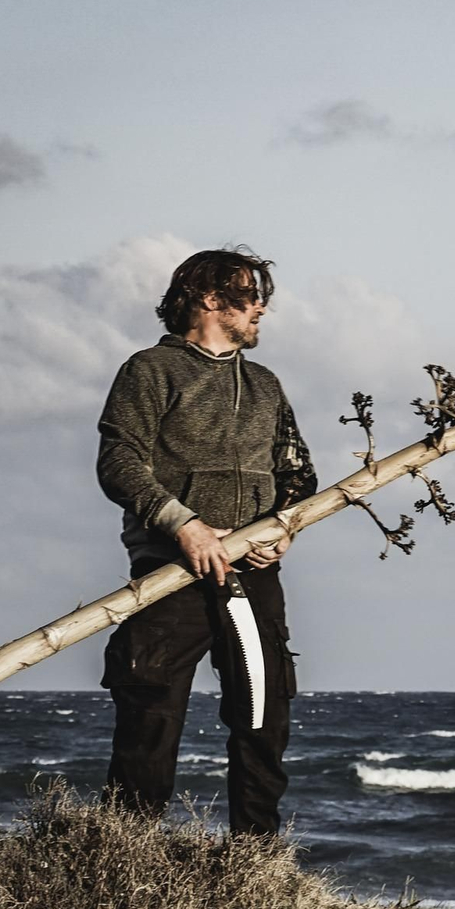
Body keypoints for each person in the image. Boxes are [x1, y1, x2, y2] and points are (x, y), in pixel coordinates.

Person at [96, 246, 317, 835]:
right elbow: (119, 461)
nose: (262, 308)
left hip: (254, 575)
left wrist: (282, 528)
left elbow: (298, 473)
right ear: (210, 299)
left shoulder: (266, 385)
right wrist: (184, 525)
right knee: (150, 718)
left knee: (264, 719)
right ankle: (124, 861)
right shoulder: (149, 371)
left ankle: (256, 863)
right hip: (172, 575)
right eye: (250, 295)